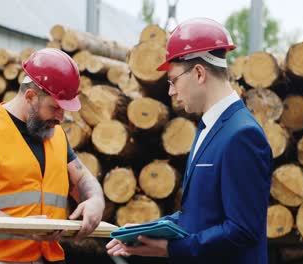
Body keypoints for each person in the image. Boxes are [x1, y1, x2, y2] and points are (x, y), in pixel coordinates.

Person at [106, 18, 273, 263]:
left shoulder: (242, 136)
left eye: (173, 80)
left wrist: (172, 248)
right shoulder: (209, 126)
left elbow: (242, 230)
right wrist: (144, 230)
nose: (171, 91)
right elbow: (197, 214)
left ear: (198, 73)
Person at [0, 48, 105, 264]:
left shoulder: (55, 134)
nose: (61, 117)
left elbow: (82, 178)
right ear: (30, 96)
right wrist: (19, 227)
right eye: (55, 108)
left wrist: (95, 200)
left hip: (46, 258)